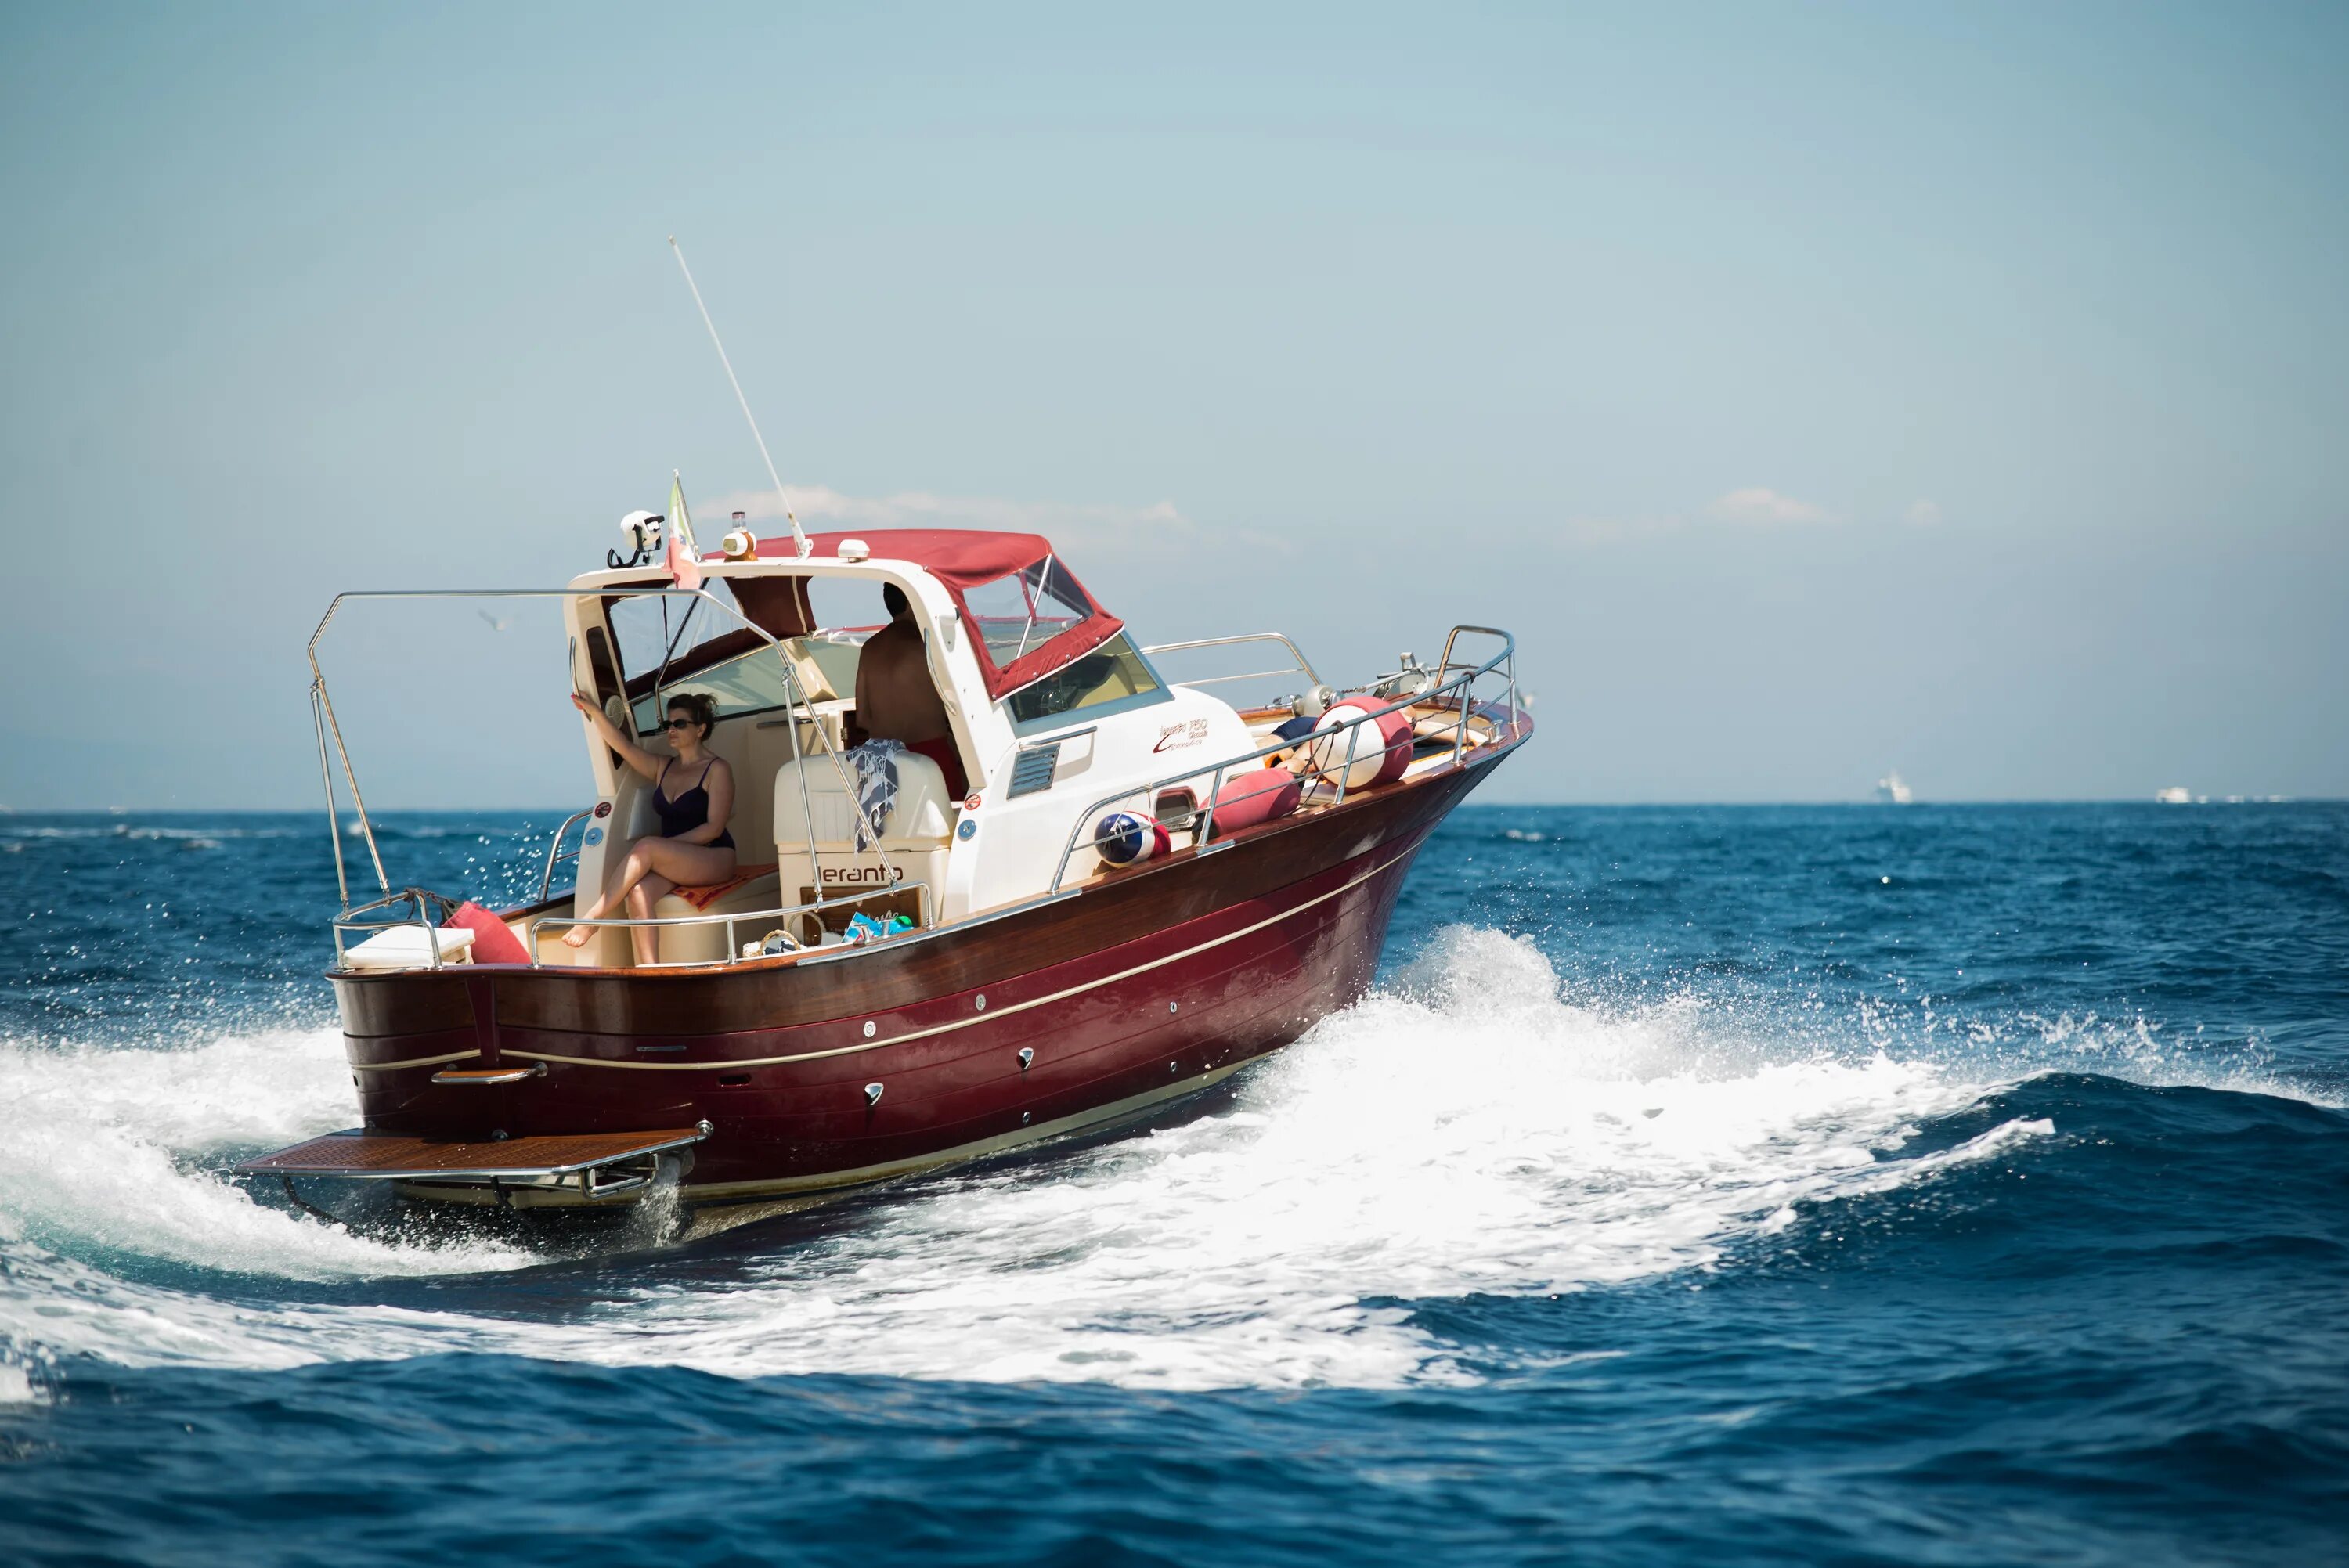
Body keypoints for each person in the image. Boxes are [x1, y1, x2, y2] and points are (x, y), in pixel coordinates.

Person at [563, 690, 736, 963]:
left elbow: (714, 828)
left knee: (648, 846)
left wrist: (665, 848)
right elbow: (622, 747)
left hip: (714, 855)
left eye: (680, 724)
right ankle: (651, 970)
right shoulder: (663, 767)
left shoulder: (717, 769)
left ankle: (594, 917)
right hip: (673, 858)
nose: (671, 730)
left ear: (700, 729)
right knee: (638, 894)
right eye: (668, 724)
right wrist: (595, 712)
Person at [853, 582, 968, 798]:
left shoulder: (868, 649)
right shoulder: (927, 645)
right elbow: (959, 707)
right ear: (910, 603)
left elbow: (861, 719)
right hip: (930, 757)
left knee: (893, 831)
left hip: (881, 761)